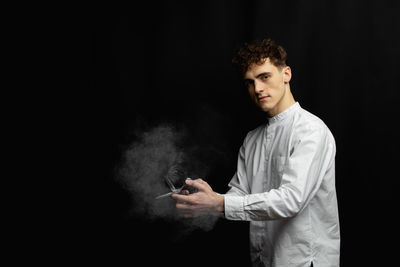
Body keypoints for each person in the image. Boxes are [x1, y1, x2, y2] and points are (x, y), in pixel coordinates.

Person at [172, 38, 340, 267]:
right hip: (263, 260)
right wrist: (208, 199)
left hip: (304, 262)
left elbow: (291, 200)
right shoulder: (252, 139)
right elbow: (240, 195)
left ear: (286, 74)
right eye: (249, 82)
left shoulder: (311, 130)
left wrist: (219, 203)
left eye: (264, 77)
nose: (257, 89)